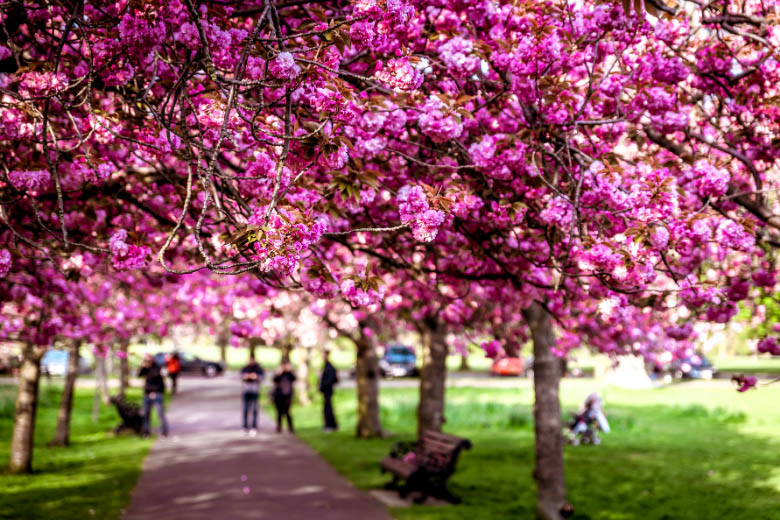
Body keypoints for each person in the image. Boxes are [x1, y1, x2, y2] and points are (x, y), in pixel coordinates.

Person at [138, 354, 169, 437]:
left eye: (148, 361)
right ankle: (146, 432)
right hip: (147, 394)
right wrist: (143, 366)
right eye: (146, 361)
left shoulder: (157, 368)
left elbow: (160, 382)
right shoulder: (145, 369)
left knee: (160, 413)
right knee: (146, 414)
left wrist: (154, 392)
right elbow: (139, 374)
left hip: (157, 394)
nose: (147, 362)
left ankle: (164, 431)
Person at [240, 354, 264, 435]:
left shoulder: (258, 369)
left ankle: (254, 426)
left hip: (255, 391)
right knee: (245, 409)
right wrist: (249, 376)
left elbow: (261, 378)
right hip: (246, 391)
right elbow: (242, 377)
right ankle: (245, 426)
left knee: (254, 409)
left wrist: (255, 377)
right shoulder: (245, 368)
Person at [272, 360, 296, 433]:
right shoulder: (279, 374)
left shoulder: (289, 374)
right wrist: (278, 373)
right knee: (279, 412)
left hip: (287, 395)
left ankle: (290, 427)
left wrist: (290, 370)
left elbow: (294, 378)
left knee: (287, 411)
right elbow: (274, 380)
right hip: (279, 395)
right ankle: (279, 426)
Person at [318, 350, 339, 432]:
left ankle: (330, 425)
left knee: (328, 408)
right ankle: (332, 425)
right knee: (327, 408)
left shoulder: (329, 367)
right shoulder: (326, 366)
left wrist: (323, 385)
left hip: (328, 391)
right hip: (326, 391)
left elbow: (331, 379)